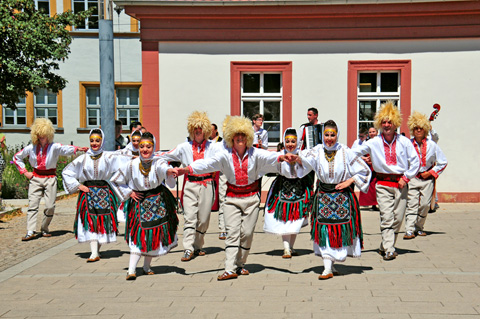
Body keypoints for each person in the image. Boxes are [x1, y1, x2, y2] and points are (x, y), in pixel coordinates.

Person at [174, 116, 293, 281]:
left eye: (243, 135)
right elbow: (206, 164)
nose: (240, 138)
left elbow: (269, 156)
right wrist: (186, 169)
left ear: (248, 137)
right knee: (232, 234)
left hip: (251, 199)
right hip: (231, 200)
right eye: (237, 135)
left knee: (248, 233)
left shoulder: (255, 153)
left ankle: (240, 264)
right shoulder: (224, 155)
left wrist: (281, 157)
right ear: (231, 137)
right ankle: (229, 269)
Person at [293, 120, 370, 279]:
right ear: (322, 135)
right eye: (326, 135)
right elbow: (302, 160)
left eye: (332, 135)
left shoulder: (346, 151)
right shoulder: (317, 151)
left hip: (342, 197)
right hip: (323, 197)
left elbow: (364, 170)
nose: (329, 138)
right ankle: (327, 268)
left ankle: (331, 265)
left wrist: (350, 181)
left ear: (337, 135)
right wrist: (292, 158)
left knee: (339, 232)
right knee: (325, 232)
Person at [352, 101, 420, 261]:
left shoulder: (404, 142)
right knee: (387, 216)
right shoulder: (374, 142)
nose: (387, 125)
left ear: (395, 123)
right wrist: (334, 150)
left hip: (400, 184)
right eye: (384, 122)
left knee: (398, 218)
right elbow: (353, 153)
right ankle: (390, 249)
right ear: (380, 124)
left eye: (390, 122)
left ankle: (384, 245)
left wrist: (406, 177)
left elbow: (415, 161)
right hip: (382, 184)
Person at [110, 132, 178, 280]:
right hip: (139, 203)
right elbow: (115, 180)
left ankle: (146, 267)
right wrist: (129, 193)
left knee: (153, 236)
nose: (145, 149)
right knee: (137, 236)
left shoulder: (158, 162)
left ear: (153, 147)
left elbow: (162, 169)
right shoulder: (131, 164)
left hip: (158, 201)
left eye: (148, 146)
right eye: (142, 146)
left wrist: (169, 172)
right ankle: (131, 270)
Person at [13, 118, 88, 241]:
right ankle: (30, 231)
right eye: (39, 135)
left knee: (50, 206)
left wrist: (78, 149)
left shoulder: (54, 147)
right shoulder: (31, 148)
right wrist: (25, 172)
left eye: (43, 135)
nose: (41, 138)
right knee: (32, 205)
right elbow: (16, 157)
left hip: (50, 178)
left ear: (48, 135)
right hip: (36, 177)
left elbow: (65, 149)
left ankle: (44, 227)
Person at [62, 129, 129, 262]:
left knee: (102, 222)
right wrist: (78, 186)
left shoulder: (108, 157)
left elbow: (126, 159)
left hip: (104, 192)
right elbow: (67, 172)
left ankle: (96, 250)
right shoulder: (83, 158)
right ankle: (94, 253)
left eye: (97, 140)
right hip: (88, 193)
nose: (94, 143)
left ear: (102, 141)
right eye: (92, 140)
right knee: (90, 220)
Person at [157, 111, 216, 262]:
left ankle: (198, 245)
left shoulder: (213, 147)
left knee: (203, 219)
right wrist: (143, 155)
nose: (198, 131)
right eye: (195, 128)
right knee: (190, 218)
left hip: (207, 184)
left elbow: (230, 154)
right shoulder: (184, 147)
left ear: (206, 131)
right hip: (190, 184)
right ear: (191, 130)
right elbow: (164, 155)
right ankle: (188, 248)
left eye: (200, 128)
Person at [264, 128, 313, 258]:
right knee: (285, 218)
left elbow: (310, 165)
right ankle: (286, 248)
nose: (290, 144)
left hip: (300, 189)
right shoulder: (279, 154)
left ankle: (290, 247)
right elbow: (267, 161)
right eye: (287, 141)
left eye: (293, 141)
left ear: (297, 142)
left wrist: (299, 160)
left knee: (296, 219)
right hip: (282, 188)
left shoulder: (303, 155)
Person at [404, 112, 447, 239]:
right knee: (411, 204)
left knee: (424, 205)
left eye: (421, 128)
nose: (418, 130)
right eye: (416, 128)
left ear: (425, 130)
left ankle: (419, 227)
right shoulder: (407, 144)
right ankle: (409, 230)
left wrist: (431, 173)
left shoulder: (432, 145)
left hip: (427, 179)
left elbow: (443, 162)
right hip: (412, 178)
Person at [210, 122, 227, 240]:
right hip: (223, 175)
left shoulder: (239, 145)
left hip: (237, 178)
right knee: (223, 201)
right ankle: (223, 228)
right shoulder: (218, 145)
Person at [358, 126, 379, 211]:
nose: (372, 133)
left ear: (377, 132)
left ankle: (375, 204)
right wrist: (365, 159)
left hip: (377, 165)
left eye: (373, 131)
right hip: (367, 166)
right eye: (370, 132)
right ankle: (366, 203)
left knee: (375, 185)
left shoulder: (379, 141)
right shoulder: (365, 142)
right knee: (368, 184)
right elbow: (359, 152)